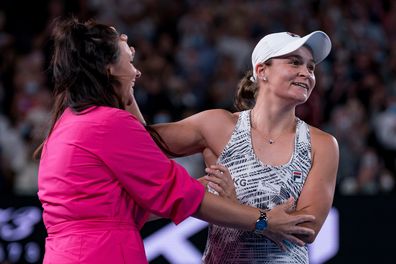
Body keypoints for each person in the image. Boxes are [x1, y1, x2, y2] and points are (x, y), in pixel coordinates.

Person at [36, 17, 317, 264]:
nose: (137, 72)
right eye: (130, 62)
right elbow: (174, 187)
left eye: (311, 66)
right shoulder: (108, 124)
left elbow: (135, 192)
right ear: (261, 70)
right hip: (105, 254)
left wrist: (125, 92)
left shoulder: (67, 123)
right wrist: (263, 220)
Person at [150, 31, 339, 263]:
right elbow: (139, 141)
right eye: (295, 62)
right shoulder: (217, 125)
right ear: (262, 71)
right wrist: (126, 92)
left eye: (311, 67)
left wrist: (233, 207)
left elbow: (308, 228)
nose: (306, 73)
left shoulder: (322, 144)